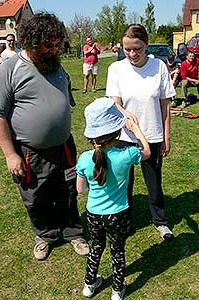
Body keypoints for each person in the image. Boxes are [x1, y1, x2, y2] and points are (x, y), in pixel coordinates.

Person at [0, 12, 89, 261]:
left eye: (57, 45)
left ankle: (72, 231)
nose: (54, 50)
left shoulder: (56, 66)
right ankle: (45, 235)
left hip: (64, 146)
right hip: (29, 151)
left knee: (68, 190)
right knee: (36, 196)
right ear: (31, 41)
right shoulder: (9, 70)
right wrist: (11, 155)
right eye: (48, 45)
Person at [106, 24, 176, 241]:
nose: (132, 54)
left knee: (154, 182)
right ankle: (124, 222)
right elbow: (114, 102)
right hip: (124, 137)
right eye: (127, 49)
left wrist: (166, 135)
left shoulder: (159, 67)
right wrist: (125, 113)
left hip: (152, 135)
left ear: (146, 44)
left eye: (137, 48)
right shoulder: (116, 69)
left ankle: (160, 222)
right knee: (123, 182)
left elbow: (165, 105)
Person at [76, 97, 150, 300]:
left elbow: (80, 189)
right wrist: (135, 130)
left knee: (96, 247)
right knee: (117, 250)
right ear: (117, 132)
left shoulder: (83, 159)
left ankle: (89, 285)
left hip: (93, 213)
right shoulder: (127, 154)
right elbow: (147, 151)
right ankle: (117, 290)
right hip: (118, 214)